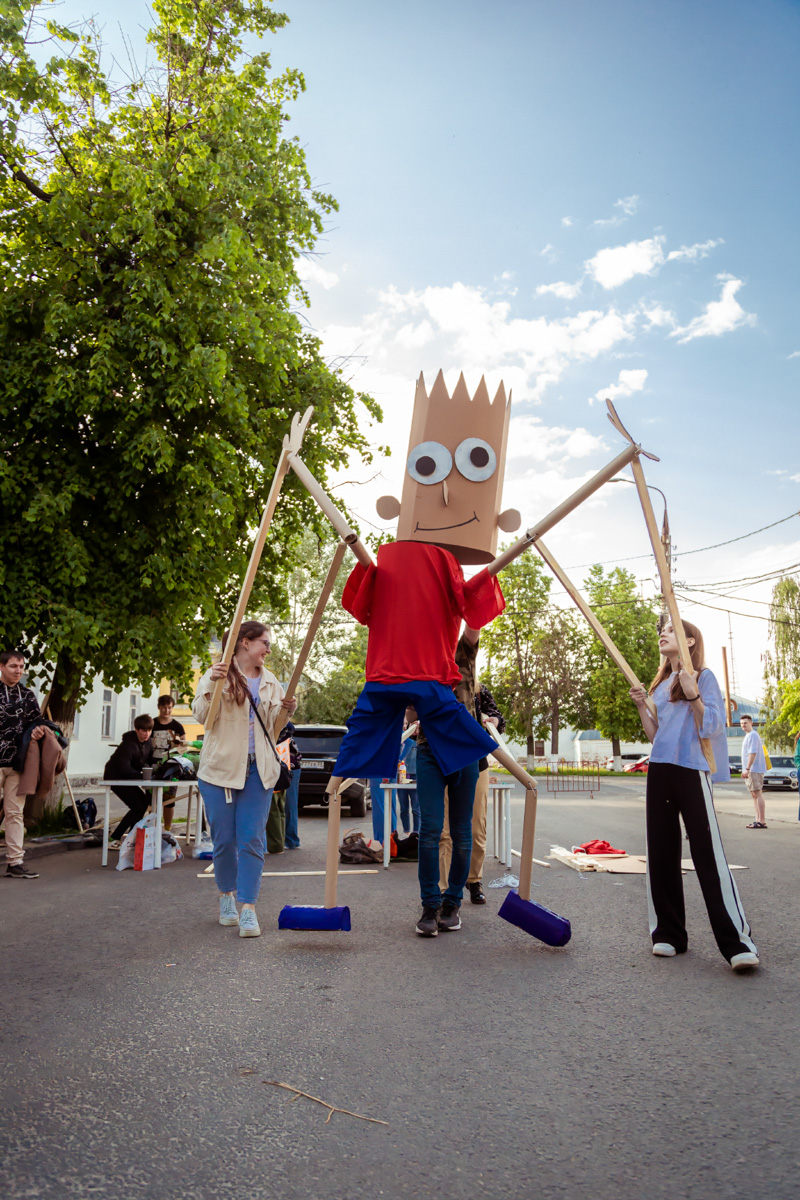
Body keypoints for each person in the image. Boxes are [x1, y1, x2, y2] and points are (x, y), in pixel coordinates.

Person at [629, 620, 759, 971]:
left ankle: (737, 943)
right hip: (660, 769)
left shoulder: (703, 676)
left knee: (707, 853)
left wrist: (693, 695)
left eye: (671, 629)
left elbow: (713, 726)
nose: (663, 632)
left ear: (689, 641)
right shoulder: (659, 685)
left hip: (692, 769)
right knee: (660, 852)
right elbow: (656, 735)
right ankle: (669, 934)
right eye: (662, 629)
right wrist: (642, 706)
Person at [192, 621, 296, 938]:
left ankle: (248, 907)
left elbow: (274, 729)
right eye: (265, 642)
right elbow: (201, 716)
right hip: (219, 770)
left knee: (252, 839)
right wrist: (212, 684)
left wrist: (287, 710)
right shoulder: (218, 674)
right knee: (224, 840)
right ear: (246, 643)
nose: (268, 649)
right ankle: (227, 896)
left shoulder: (270, 681)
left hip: (257, 770)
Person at [440, 674, 506, 905]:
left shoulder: (479, 690)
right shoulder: (438, 687)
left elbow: (497, 717)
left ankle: (474, 880)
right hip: (444, 763)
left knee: (477, 828)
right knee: (445, 831)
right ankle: (445, 888)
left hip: (477, 764)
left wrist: (495, 721)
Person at [0, 649, 45, 879]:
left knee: (15, 813)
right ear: (1, 667)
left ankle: (15, 862)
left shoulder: (27, 695)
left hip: (17, 763)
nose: (18, 671)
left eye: (21, 667)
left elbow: (36, 723)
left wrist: (37, 731)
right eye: (13, 666)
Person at [104, 715, 155, 844]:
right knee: (138, 806)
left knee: (143, 804)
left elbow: (148, 761)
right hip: (115, 777)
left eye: (149, 730)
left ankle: (131, 838)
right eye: (144, 730)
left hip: (129, 778)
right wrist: (143, 777)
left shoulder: (148, 742)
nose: (147, 734)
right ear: (136, 730)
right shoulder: (128, 745)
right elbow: (124, 768)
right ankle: (116, 837)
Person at [150, 695, 186, 831]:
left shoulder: (177, 726)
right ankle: (152, 829)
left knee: (169, 801)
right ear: (158, 707)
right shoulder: (152, 724)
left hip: (171, 768)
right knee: (152, 801)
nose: (166, 710)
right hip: (153, 767)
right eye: (164, 707)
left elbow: (184, 746)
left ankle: (167, 829)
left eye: (169, 707)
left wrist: (179, 747)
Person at [740, 714, 768, 829]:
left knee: (757, 793)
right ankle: (757, 819)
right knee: (754, 795)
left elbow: (753, 753)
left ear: (751, 723)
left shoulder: (753, 735)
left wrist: (747, 769)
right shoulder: (748, 735)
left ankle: (761, 821)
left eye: (745, 723)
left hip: (754, 769)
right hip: (750, 770)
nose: (743, 725)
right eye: (741, 723)